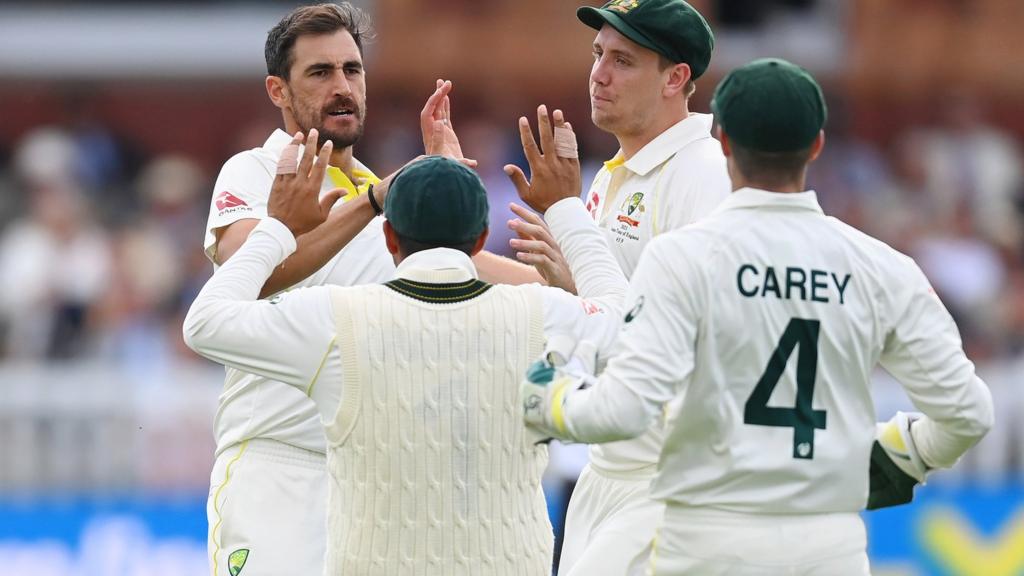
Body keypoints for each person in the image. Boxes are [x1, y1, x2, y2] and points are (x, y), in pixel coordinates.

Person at [521, 58, 994, 575]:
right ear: (816, 146)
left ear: (721, 141)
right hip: (828, 553)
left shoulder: (682, 259)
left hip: (705, 548)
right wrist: (897, 455)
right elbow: (968, 413)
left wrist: (547, 393)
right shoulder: (883, 267)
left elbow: (623, 411)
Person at [185, 126, 628, 574]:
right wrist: (568, 209)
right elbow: (628, 323)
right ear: (480, 240)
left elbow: (205, 323)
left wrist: (278, 228)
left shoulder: (338, 318)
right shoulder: (538, 313)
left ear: (390, 238)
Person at [200, 4, 477, 574]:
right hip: (278, 470)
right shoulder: (256, 170)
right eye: (320, 73)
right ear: (278, 90)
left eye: (352, 70)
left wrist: (455, 202)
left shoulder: (387, 193)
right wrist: (375, 204)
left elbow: (475, 282)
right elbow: (246, 275)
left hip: (374, 479)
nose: (342, 86)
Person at [503, 1, 730, 573]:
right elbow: (599, 302)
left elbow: (692, 331)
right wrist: (441, 243)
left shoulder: (703, 173)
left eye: (624, 61)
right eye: (598, 55)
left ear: (676, 78)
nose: (599, 74)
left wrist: (565, 219)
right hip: (609, 466)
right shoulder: (613, 173)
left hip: (672, 478)